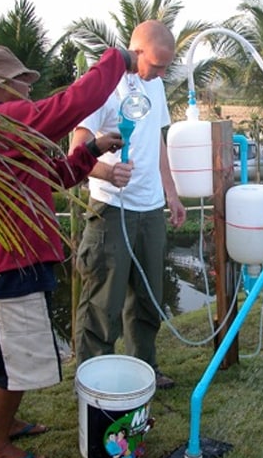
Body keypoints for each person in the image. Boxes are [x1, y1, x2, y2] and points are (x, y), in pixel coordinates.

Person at [0, 44, 137, 458]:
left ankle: (8, 424)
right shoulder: (5, 121)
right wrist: (118, 59)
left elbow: (51, 176)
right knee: (15, 361)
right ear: (1, 86)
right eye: (23, 80)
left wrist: (90, 150)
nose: (28, 88)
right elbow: (74, 101)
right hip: (12, 260)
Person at [70, 20, 186, 390]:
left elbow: (159, 142)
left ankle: (145, 370)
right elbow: (77, 150)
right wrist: (105, 171)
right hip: (111, 211)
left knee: (148, 298)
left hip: (150, 210)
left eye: (167, 67)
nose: (162, 73)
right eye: (157, 65)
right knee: (104, 302)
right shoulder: (103, 87)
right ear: (136, 52)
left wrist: (171, 193)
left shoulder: (156, 85)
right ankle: (94, 383)